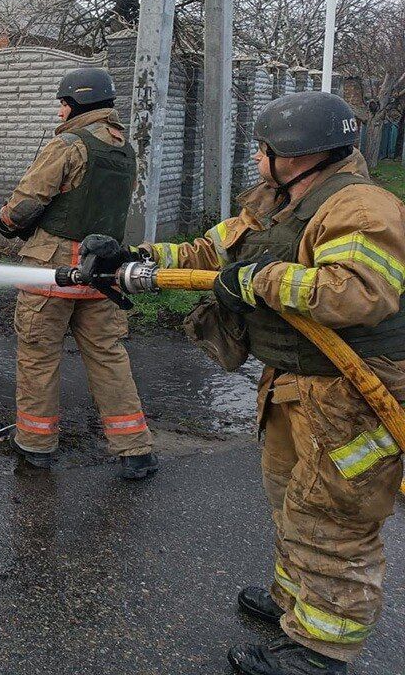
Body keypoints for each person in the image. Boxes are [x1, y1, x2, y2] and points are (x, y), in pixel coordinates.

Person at [133, 91, 403, 675]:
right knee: (290, 501)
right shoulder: (277, 202)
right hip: (294, 386)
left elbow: (357, 291)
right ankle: (296, 605)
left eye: (264, 149)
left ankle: (322, 648)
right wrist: (139, 258)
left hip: (353, 399)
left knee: (334, 520)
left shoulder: (361, 208)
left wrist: (260, 280)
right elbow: (211, 251)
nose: (257, 159)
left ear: (297, 154)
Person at [0, 67, 158, 480]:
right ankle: (134, 450)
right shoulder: (124, 149)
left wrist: (8, 220)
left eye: (63, 102)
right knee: (108, 357)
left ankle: (35, 445)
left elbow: (28, 200)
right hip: (103, 273)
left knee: (38, 357)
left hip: (53, 273)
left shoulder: (68, 144)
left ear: (76, 103)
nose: (60, 109)